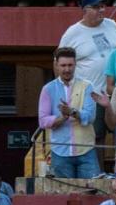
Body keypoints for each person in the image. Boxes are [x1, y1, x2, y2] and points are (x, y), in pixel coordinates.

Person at [58, 0, 116, 169]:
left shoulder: (112, 25)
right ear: (85, 10)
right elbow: (60, 62)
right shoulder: (72, 33)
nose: (102, 10)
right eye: (96, 7)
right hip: (91, 96)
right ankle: (96, 174)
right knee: (96, 137)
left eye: (103, 6)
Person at [38, 47, 99, 179]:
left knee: (92, 192)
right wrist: (62, 118)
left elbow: (90, 117)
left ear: (75, 64)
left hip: (86, 150)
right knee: (63, 195)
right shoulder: (48, 89)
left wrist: (72, 112)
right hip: (60, 151)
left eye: (70, 65)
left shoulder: (87, 86)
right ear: (56, 66)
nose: (67, 69)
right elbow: (43, 121)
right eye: (63, 65)